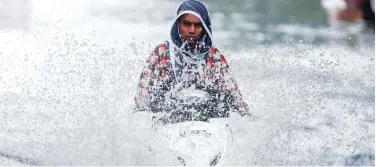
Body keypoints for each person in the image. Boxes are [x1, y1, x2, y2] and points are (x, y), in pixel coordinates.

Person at [133, 0, 249, 122]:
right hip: (167, 124)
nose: (192, 30)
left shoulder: (214, 57)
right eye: (186, 24)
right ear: (177, 24)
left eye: (198, 25)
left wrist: (245, 119)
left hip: (208, 125)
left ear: (205, 27)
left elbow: (235, 98)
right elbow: (142, 99)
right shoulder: (161, 54)